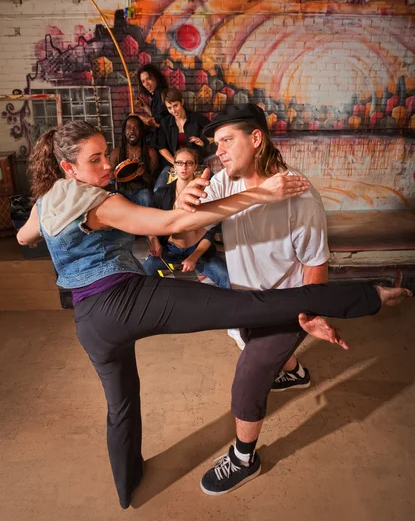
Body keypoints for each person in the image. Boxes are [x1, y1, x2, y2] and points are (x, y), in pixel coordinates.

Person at [16, 120, 411, 510]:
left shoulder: (47, 201)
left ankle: (126, 488)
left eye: (107, 154)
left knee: (121, 407)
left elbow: (24, 236)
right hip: (124, 302)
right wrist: (262, 196)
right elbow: (174, 224)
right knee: (246, 305)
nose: (107, 165)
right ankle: (367, 296)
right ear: (68, 168)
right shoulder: (102, 203)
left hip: (89, 325)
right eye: (95, 159)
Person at [175, 103, 408, 497]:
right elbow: (181, 240)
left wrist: (306, 315)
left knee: (248, 379)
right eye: (216, 144)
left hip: (286, 300)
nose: (220, 152)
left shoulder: (299, 196)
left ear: (256, 138)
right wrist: (183, 205)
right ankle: (296, 372)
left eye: (227, 140)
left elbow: (315, 266)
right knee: (251, 341)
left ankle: (245, 457)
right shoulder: (222, 183)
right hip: (247, 298)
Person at [144, 147, 230, 288]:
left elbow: (209, 234)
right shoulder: (162, 193)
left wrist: (193, 257)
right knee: (146, 272)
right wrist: (153, 239)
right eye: (179, 163)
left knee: (226, 277)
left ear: (195, 166)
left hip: (198, 250)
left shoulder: (205, 193)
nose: (184, 167)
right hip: (169, 249)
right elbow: (151, 220)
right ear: (174, 165)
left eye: (189, 163)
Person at [152, 87, 210, 190]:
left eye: (175, 105)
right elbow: (162, 148)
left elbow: (214, 135)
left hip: (196, 163)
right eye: (169, 108)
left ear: (182, 102)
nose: (173, 111)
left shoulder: (196, 118)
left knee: (209, 189)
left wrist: (203, 142)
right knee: (158, 189)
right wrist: (175, 163)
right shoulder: (165, 122)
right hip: (174, 164)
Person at [109, 113, 158, 206]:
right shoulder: (117, 152)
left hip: (143, 192)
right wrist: (111, 177)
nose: (132, 130)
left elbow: (153, 182)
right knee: (113, 197)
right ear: (124, 131)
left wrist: (144, 173)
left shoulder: (150, 152)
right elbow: (110, 180)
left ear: (141, 131)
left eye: (136, 128)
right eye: (128, 127)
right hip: (124, 192)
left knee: (146, 196)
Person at [136, 63, 168, 128]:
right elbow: (156, 116)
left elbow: (157, 122)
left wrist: (137, 117)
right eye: (143, 81)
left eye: (149, 79)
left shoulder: (160, 93)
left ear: (156, 77)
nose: (146, 84)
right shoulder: (156, 94)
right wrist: (145, 106)